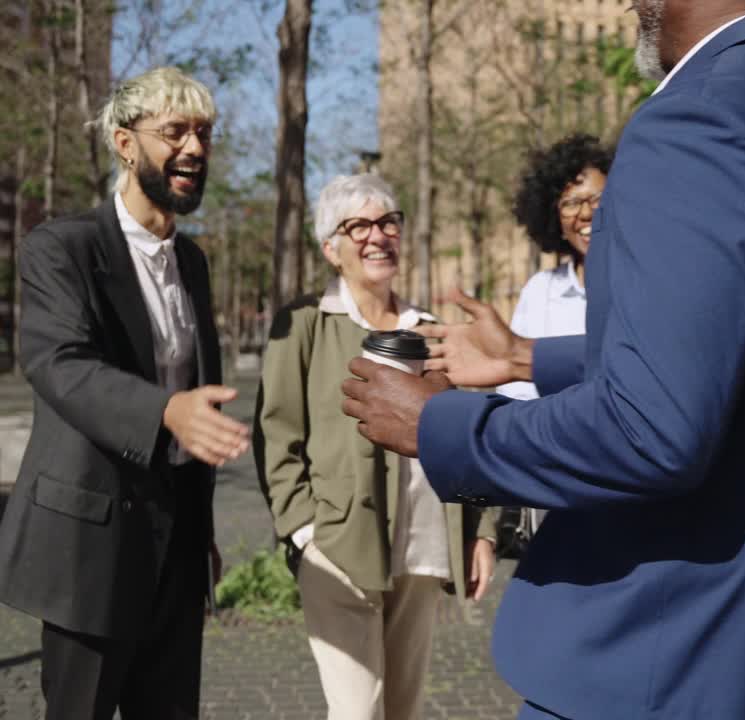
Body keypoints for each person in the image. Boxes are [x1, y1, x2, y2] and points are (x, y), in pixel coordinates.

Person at [342, 2, 745, 718]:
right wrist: (527, 357)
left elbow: (652, 430)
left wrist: (440, 427)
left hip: (685, 646)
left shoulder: (698, 120)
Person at [0, 66, 248, 719]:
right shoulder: (64, 247)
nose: (194, 148)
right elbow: (57, 362)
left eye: (203, 133)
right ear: (125, 143)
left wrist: (203, 535)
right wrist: (166, 410)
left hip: (176, 551)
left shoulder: (192, 261)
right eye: (174, 132)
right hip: (89, 550)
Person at [254, 173, 497, 720]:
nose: (377, 235)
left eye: (388, 221)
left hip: (425, 540)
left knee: (402, 709)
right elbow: (277, 432)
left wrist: (480, 531)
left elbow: (470, 432)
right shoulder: (306, 325)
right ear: (331, 248)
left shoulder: (431, 330)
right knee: (359, 711)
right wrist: (304, 532)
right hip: (338, 547)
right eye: (358, 225)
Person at [497, 134, 612, 539]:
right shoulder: (540, 292)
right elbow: (517, 396)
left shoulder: (645, 286)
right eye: (570, 203)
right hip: (557, 482)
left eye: (598, 198)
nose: (586, 213)